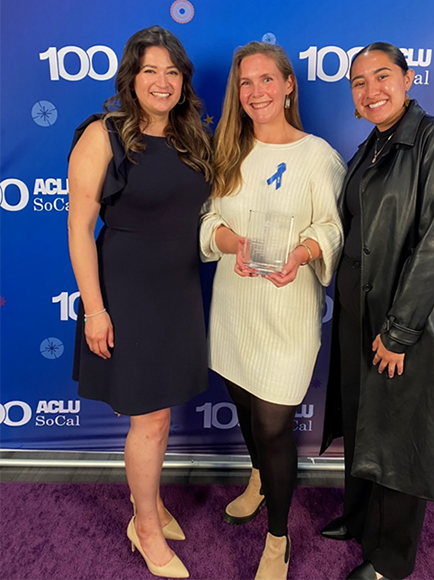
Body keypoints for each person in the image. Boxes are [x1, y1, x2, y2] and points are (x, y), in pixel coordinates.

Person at [320, 42, 434, 580]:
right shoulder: (370, 147)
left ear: (408, 79)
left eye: (382, 76)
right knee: (366, 423)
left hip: (407, 319)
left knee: (401, 434)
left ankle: (390, 560)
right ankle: (361, 521)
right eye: (359, 83)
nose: (371, 89)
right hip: (361, 311)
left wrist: (402, 330)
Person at [68, 26, 212, 579]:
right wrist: (96, 309)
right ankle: (145, 528)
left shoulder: (191, 135)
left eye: (172, 72)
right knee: (148, 419)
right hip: (126, 293)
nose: (162, 81)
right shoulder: (104, 136)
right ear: (131, 77)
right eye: (150, 70)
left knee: (159, 413)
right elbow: (80, 229)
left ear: (183, 81)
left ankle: (146, 507)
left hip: (178, 291)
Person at [200, 41, 345, 580]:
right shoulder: (228, 152)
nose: (255, 91)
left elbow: (332, 229)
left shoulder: (319, 156)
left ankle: (278, 540)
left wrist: (303, 252)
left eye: (266, 80)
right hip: (235, 308)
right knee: (241, 400)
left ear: (289, 86)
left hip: (287, 313)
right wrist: (231, 240)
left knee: (274, 422)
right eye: (245, 83)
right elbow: (206, 224)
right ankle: (258, 476)